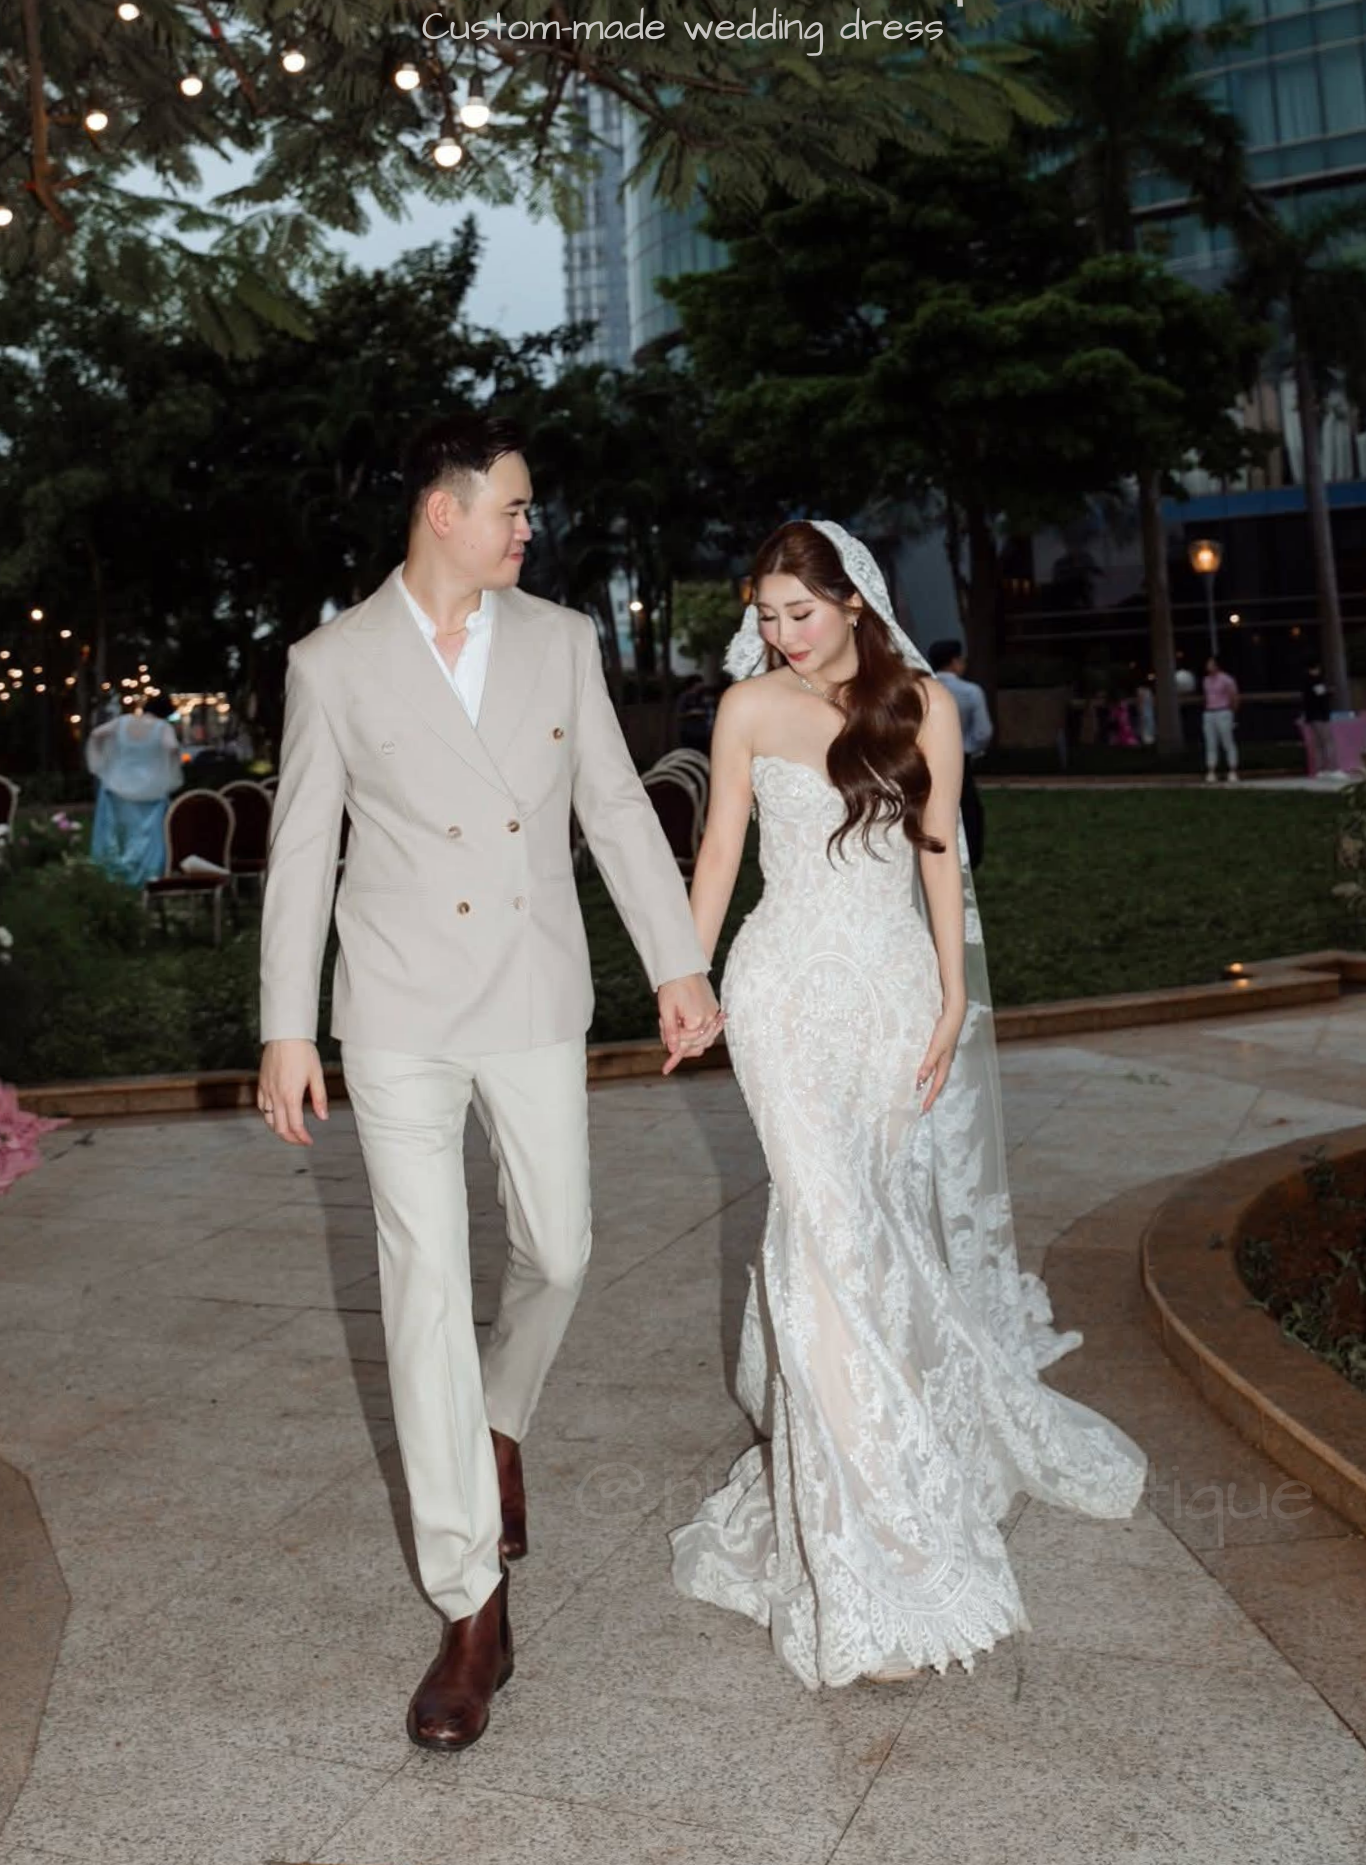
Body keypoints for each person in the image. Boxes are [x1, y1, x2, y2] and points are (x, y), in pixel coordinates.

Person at [255, 411, 721, 1754]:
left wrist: (676, 964)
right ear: (440, 515)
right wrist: (289, 1026)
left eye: (530, 511)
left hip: (528, 994)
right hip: (395, 1007)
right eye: (511, 508)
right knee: (418, 1286)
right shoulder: (331, 663)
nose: (530, 529)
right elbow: (299, 854)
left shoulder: (561, 643)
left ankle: (499, 1412)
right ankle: (471, 1604)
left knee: (561, 1249)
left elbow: (617, 811)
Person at [668, 520, 1147, 1689]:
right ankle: (872, 1534)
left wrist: (946, 1000)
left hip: (889, 995)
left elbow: (939, 853)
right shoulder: (744, 710)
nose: (779, 636)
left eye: (800, 613)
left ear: (852, 601)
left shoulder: (922, 702)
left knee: (866, 1228)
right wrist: (687, 978)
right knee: (818, 1229)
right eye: (766, 615)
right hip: (780, 989)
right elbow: (721, 853)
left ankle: (900, 1454)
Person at [85, 692, 182, 885]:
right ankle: (144, 878)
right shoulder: (162, 727)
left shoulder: (122, 722)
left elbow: (96, 734)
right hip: (150, 792)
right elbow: (171, 747)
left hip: (116, 786)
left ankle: (114, 878)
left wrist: (101, 763)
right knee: (146, 837)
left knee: (117, 835)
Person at [926, 638, 991, 868]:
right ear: (954, 662)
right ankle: (968, 859)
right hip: (959, 757)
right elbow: (983, 731)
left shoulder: (922, 688)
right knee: (968, 810)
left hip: (925, 757)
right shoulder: (970, 692)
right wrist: (967, 749)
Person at [1202, 655, 1240, 783]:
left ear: (1217, 665)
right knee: (1210, 743)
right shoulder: (1206, 680)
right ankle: (1211, 770)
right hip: (1209, 713)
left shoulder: (1226, 679)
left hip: (1223, 711)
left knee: (1227, 741)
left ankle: (1232, 770)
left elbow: (1234, 697)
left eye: (1210, 663)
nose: (1208, 665)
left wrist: (1232, 713)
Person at [1300, 661, 1342, 778]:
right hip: (1320, 715)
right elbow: (1321, 695)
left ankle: (1320, 770)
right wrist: (1330, 691)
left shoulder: (1305, 682)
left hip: (1312, 716)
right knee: (1328, 741)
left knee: (1318, 743)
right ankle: (1333, 769)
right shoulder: (1314, 681)